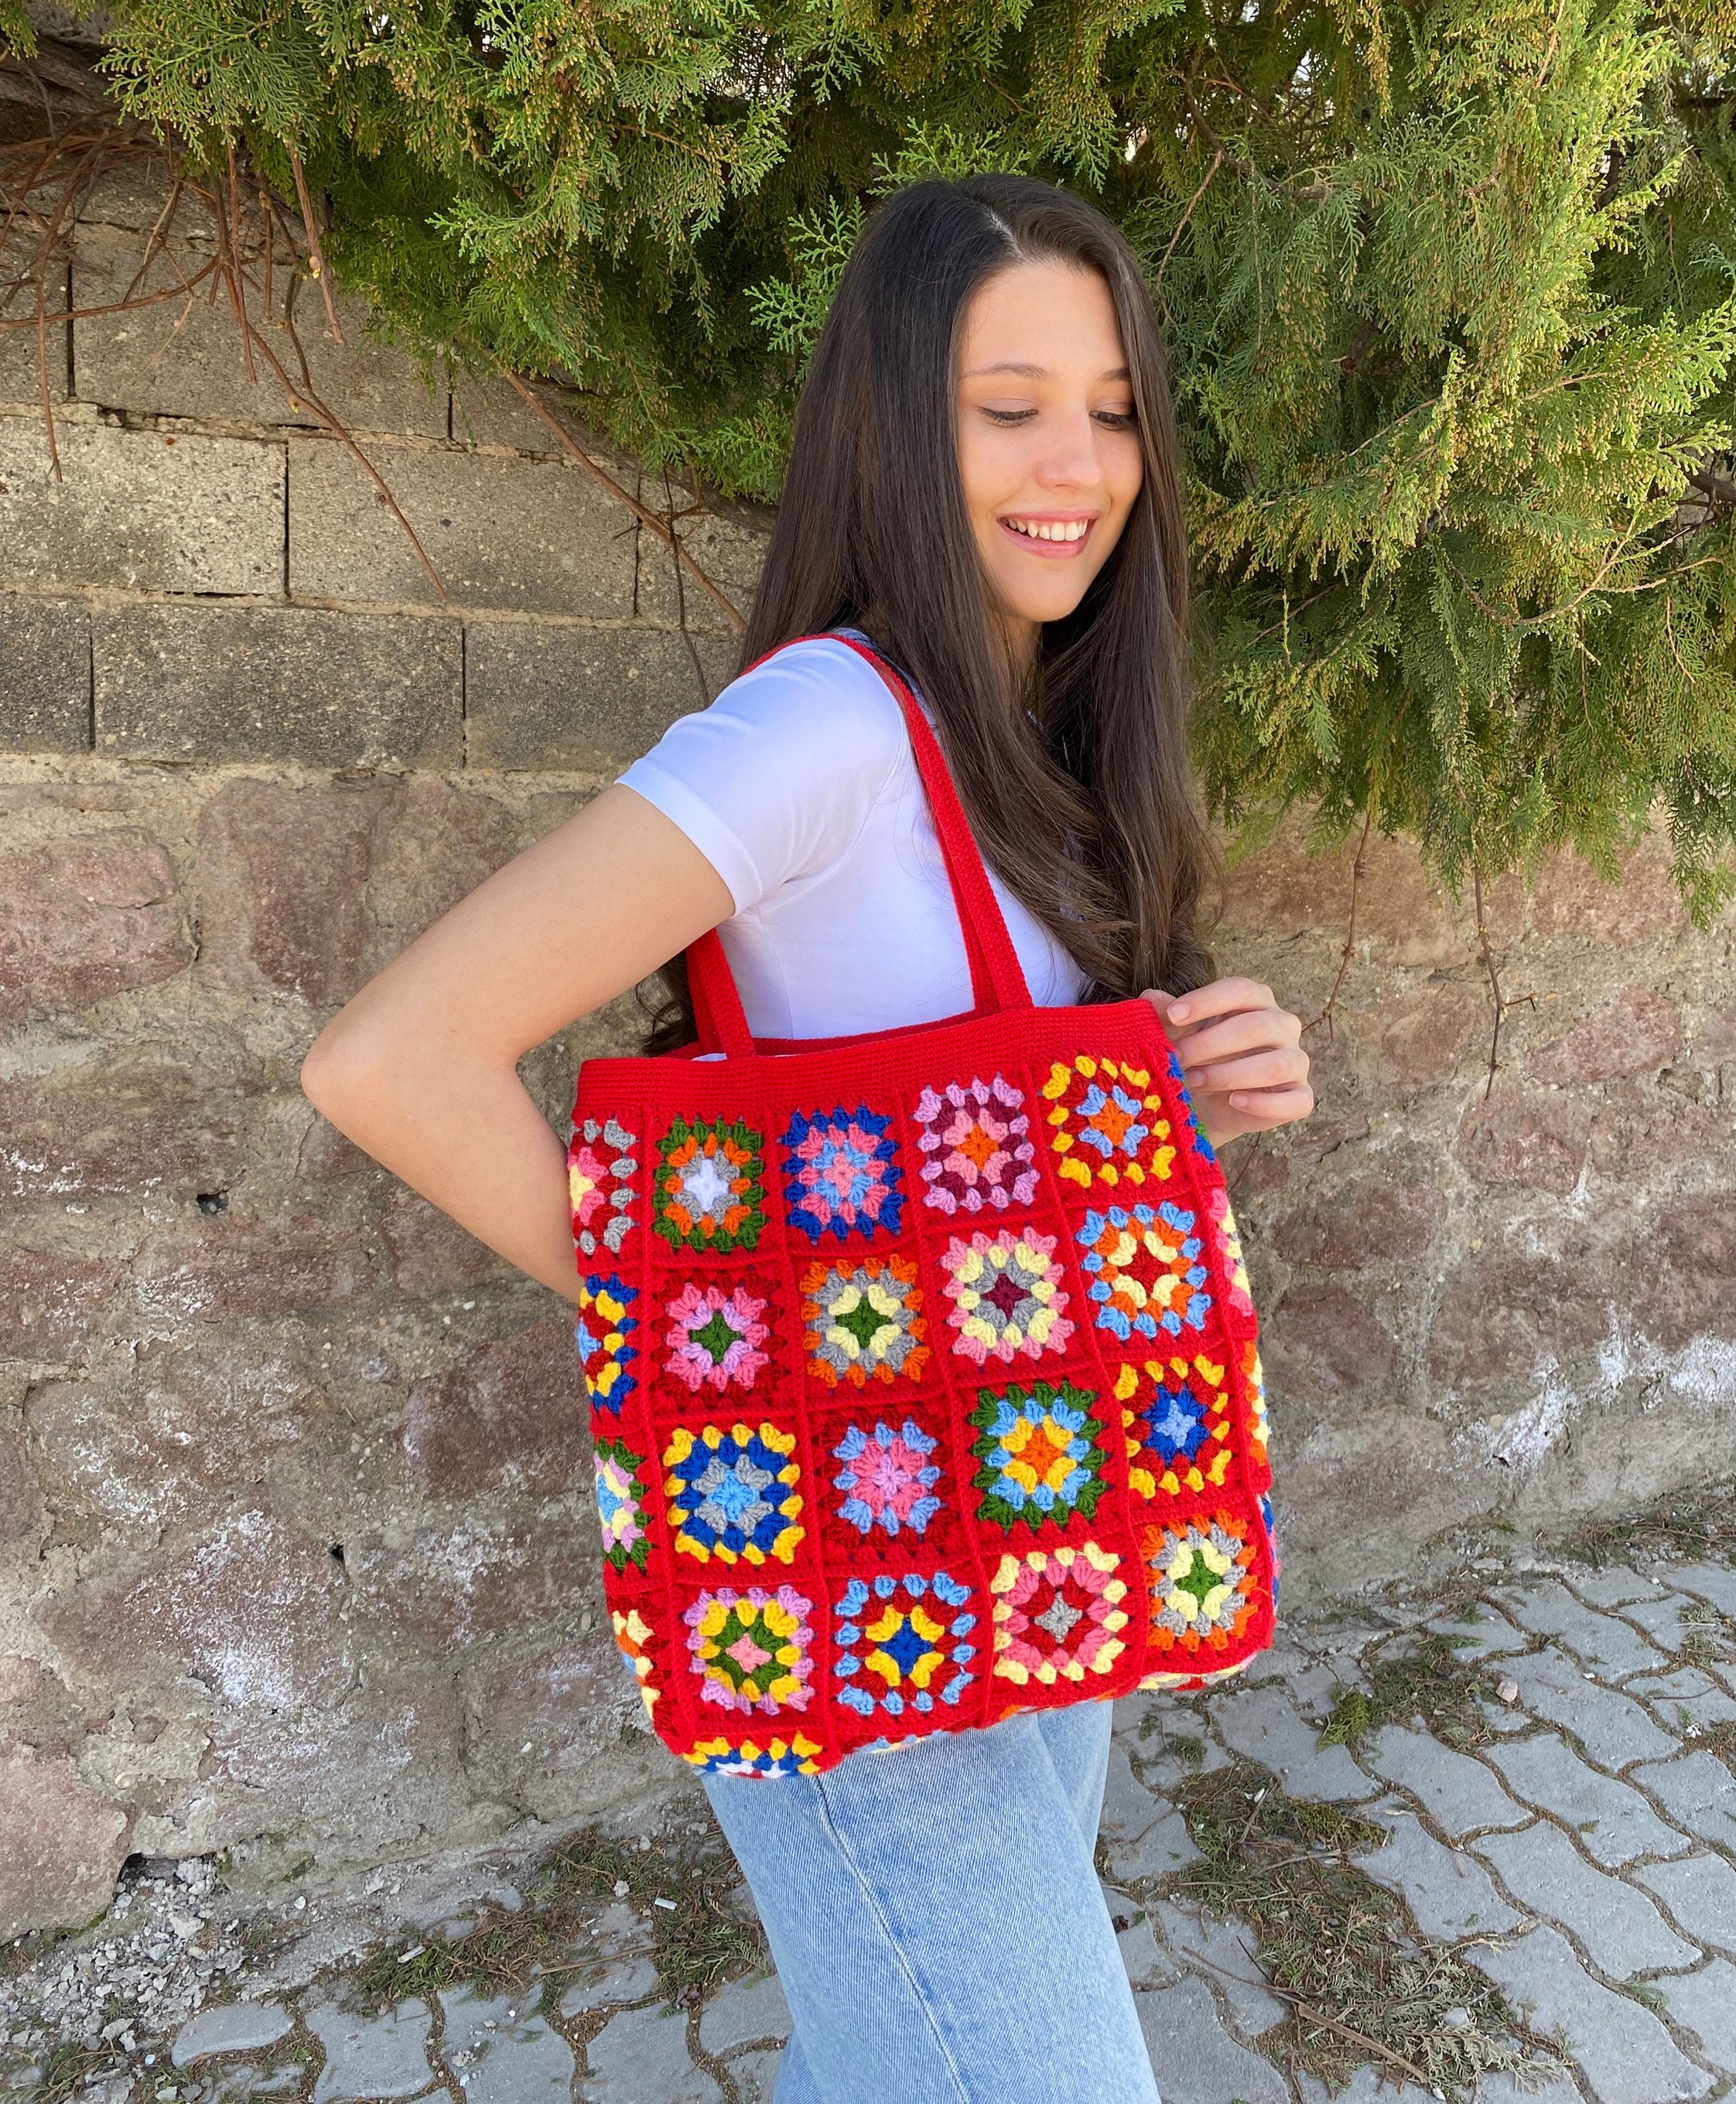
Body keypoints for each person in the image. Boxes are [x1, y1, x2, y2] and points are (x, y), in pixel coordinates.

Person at [301, 172, 1314, 2104]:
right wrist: (715, 1337)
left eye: (1114, 409)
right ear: (892, 429)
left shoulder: (1036, 735)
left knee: (901, 2053)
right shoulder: (827, 731)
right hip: (848, 1562)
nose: (1079, 462)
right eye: (1009, 406)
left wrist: (1180, 1085)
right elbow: (393, 1058)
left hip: (1032, 1506)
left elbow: (957, 1135)